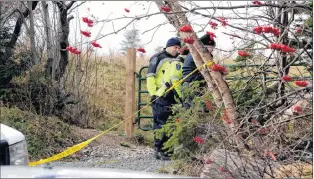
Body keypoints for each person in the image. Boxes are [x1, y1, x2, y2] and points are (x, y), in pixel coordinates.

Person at [146, 37, 181, 160]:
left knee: (170, 123)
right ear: (168, 46)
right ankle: (159, 150)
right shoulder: (158, 57)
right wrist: (153, 94)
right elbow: (150, 76)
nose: (177, 50)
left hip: (172, 96)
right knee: (161, 124)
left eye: (178, 48)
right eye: (175, 47)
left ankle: (168, 150)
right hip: (160, 95)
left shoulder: (176, 59)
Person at [181, 33, 216, 110]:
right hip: (193, 85)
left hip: (190, 85)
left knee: (190, 110)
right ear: (205, 46)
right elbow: (208, 70)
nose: (213, 50)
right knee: (197, 110)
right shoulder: (200, 55)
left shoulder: (193, 54)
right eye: (212, 47)